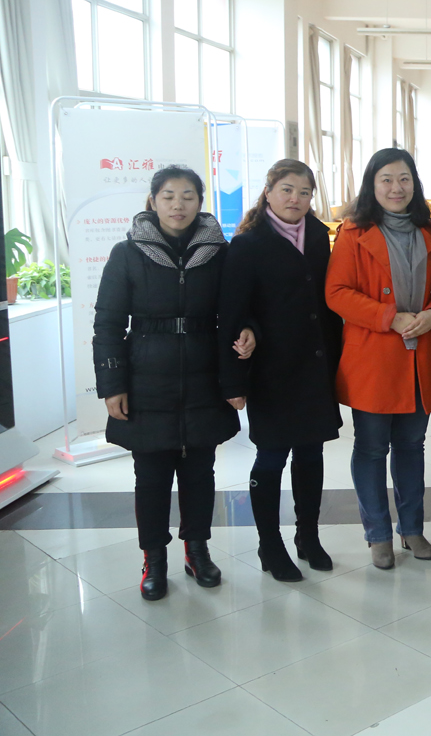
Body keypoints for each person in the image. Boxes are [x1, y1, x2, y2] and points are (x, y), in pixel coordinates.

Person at [94, 166, 244, 601]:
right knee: (151, 477)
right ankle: (154, 559)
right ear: (153, 201)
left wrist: (247, 334)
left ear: (200, 202)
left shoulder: (219, 253)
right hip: (146, 379)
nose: (178, 205)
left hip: (204, 376)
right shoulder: (127, 253)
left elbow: (237, 311)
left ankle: (197, 550)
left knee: (200, 473)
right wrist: (112, 384)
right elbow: (107, 323)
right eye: (169, 196)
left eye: (188, 196)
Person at [326, 148, 431, 569]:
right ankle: (378, 534)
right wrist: (390, 317)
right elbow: (337, 293)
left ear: (414, 184)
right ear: (372, 185)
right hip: (374, 359)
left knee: (412, 447)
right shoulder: (353, 233)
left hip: (420, 358)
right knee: (370, 448)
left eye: (404, 179)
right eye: (386, 179)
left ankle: (412, 528)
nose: (396, 187)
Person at [219, 159, 344, 582]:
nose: (295, 199)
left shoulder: (320, 237)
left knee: (311, 454)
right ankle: (269, 544)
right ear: (268, 191)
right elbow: (233, 313)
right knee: (272, 456)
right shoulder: (247, 244)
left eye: (304, 192)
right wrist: (233, 380)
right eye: (287, 189)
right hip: (272, 370)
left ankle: (308, 536)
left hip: (316, 366)